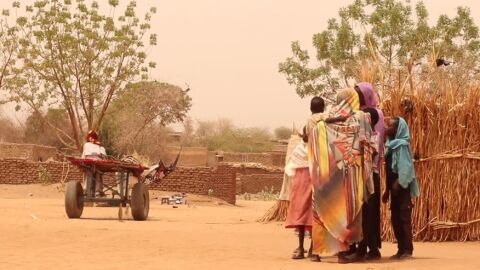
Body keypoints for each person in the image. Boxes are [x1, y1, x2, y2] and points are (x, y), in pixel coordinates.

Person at [307, 88, 375, 263]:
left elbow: (314, 136)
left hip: (331, 175)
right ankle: (347, 251)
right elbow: (368, 144)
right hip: (353, 174)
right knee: (351, 210)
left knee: (330, 207)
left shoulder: (325, 121)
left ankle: (325, 250)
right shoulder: (361, 117)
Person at [346, 107, 382, 262]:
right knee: (367, 216)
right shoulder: (368, 135)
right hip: (366, 177)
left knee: (366, 216)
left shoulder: (375, 136)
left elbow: (369, 154)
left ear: (369, 120)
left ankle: (362, 251)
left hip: (370, 178)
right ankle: (372, 250)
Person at [382, 117, 420, 259]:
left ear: (399, 130)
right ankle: (400, 249)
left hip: (402, 189)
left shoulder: (402, 145)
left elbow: (407, 168)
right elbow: (389, 171)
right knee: (396, 219)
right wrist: (387, 189)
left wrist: (398, 183)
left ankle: (408, 250)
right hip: (394, 190)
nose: (388, 128)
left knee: (404, 219)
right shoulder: (391, 146)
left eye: (391, 126)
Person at [284, 127, 313, 260]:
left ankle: (302, 248)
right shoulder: (316, 149)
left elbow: (289, 169)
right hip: (313, 182)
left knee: (303, 216)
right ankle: (312, 248)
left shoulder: (298, 150)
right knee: (313, 215)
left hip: (300, 183)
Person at [82, 130, 106, 196]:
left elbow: (103, 155)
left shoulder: (100, 146)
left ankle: (96, 191)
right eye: (89, 137)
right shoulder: (87, 145)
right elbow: (85, 155)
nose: (90, 138)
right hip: (90, 162)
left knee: (98, 176)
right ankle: (88, 190)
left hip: (97, 163)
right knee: (90, 175)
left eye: (92, 137)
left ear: (95, 137)